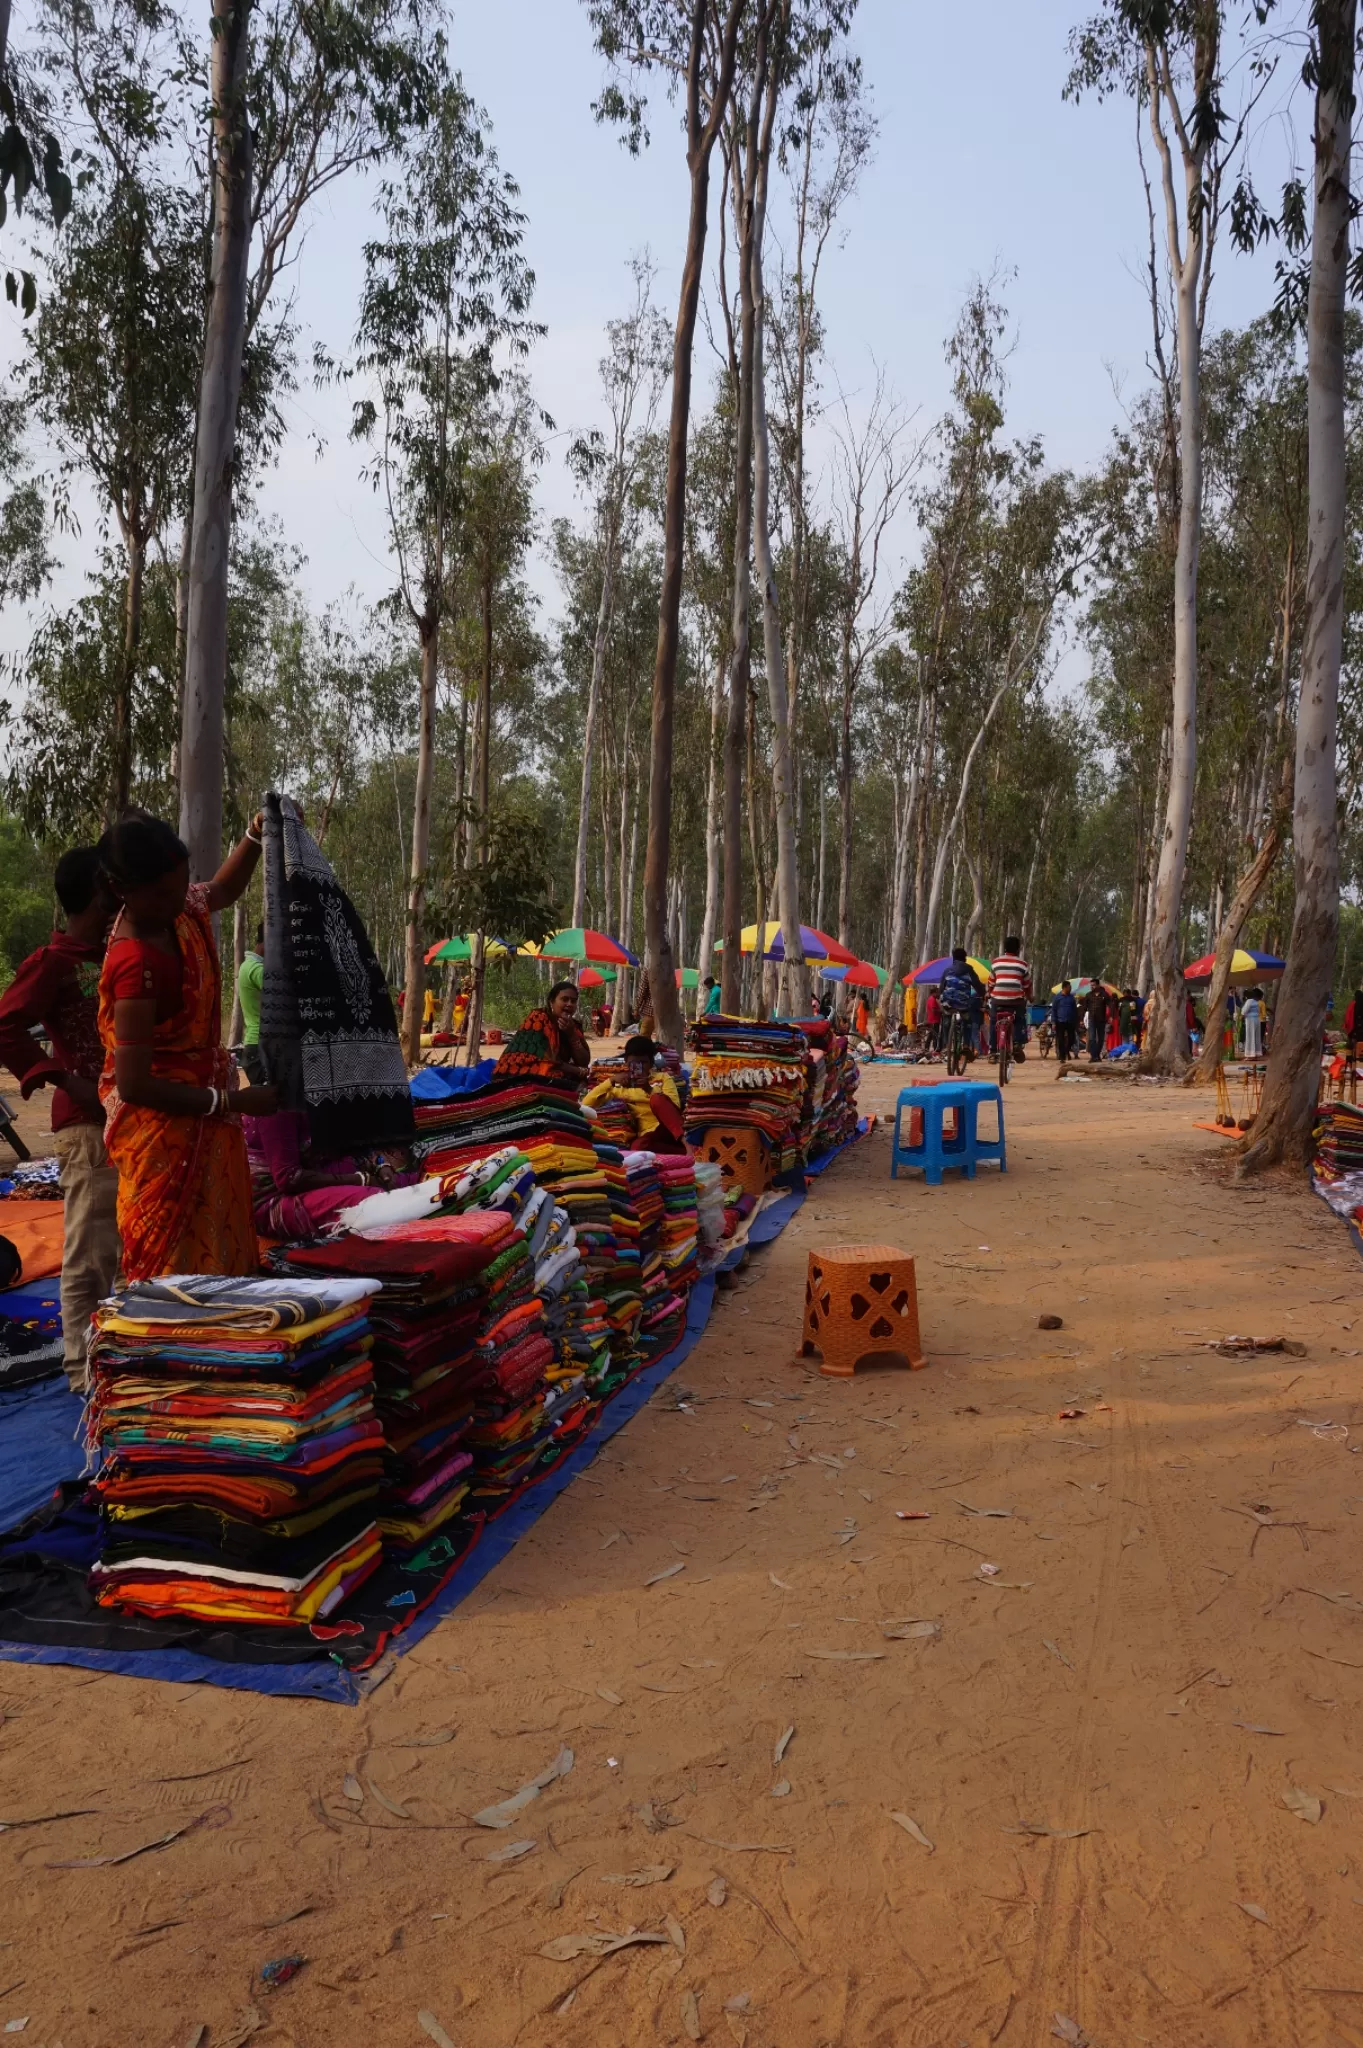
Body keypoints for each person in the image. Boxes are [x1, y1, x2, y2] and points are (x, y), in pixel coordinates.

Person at [97, 811, 278, 1282]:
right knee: (170, 1274)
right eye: (163, 893)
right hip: (163, 1139)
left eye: (181, 886)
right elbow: (135, 1083)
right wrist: (231, 1101)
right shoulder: (135, 963)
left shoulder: (177, 912)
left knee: (222, 1250)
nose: (180, 900)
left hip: (205, 1124)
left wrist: (254, 835)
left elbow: (219, 891)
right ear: (122, 890)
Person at [0, 847, 121, 1391]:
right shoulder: (55, 961)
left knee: (122, 1244)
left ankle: (123, 1353)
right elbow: (5, 1024)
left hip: (128, 1120)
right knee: (91, 1249)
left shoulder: (113, 952)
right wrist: (60, 1075)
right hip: (87, 1124)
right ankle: (83, 1368)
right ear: (100, 891)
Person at [584, 1034, 686, 1153]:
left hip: (669, 1129)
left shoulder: (662, 1078)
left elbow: (673, 1107)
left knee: (657, 1099)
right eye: (634, 1063)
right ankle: (683, 1152)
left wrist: (648, 1089)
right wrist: (610, 1081)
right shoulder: (619, 1085)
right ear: (626, 1062)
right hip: (647, 1135)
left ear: (652, 1063)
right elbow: (587, 1104)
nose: (640, 1067)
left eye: (644, 1062)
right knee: (638, 1147)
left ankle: (686, 1143)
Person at [498, 979, 592, 1083]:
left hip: (557, 1070)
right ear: (551, 1002)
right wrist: (577, 1070)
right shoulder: (538, 1018)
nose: (569, 1004)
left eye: (573, 1001)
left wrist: (572, 1035)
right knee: (557, 1077)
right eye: (565, 999)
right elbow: (545, 1060)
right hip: (521, 1071)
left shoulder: (574, 1026)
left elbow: (584, 1061)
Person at [987, 935, 1032, 1064]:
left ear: (1005, 948)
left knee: (993, 1022)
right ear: (1018, 949)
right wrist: (1030, 997)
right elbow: (1027, 985)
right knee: (1020, 1019)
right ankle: (1018, 1043)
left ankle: (992, 1050)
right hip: (1015, 1000)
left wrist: (988, 993)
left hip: (997, 999)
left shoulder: (996, 962)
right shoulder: (1023, 964)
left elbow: (991, 982)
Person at [940, 949, 985, 1059]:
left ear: (953, 958)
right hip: (963, 1003)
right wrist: (982, 994)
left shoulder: (947, 970)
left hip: (948, 1002)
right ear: (965, 958)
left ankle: (946, 1044)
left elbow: (941, 988)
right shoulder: (969, 970)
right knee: (967, 1020)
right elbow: (978, 986)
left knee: (946, 1018)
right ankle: (965, 1045)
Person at [236, 922, 266, 1082]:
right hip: (259, 1045)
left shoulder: (247, 965)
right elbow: (282, 992)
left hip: (255, 1044)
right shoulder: (256, 969)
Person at [1052, 979, 1078, 1064]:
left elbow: (1074, 1010)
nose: (1070, 989)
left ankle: (1067, 1051)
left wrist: (1076, 1020)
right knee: (1061, 1039)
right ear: (1064, 988)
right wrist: (1053, 1022)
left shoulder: (1071, 998)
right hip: (1060, 1021)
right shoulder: (1057, 997)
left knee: (1072, 1038)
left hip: (1070, 1021)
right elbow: (1054, 1010)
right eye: (1069, 987)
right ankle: (1062, 1057)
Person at [1085, 981, 1109, 1061]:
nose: (1092, 987)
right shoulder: (1088, 995)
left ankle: (1097, 1055)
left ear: (1098, 985)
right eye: (1091, 985)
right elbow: (1084, 1007)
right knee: (1092, 1038)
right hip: (1091, 1019)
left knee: (1101, 1038)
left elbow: (1111, 1004)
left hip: (1101, 1020)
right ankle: (1093, 1056)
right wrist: (1081, 1018)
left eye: (1093, 985)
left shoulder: (1104, 994)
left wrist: (1111, 1016)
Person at [1242, 985, 1266, 1060]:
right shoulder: (1257, 1002)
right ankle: (1255, 1053)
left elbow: (1244, 1011)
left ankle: (1250, 1055)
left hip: (1250, 1020)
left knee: (1250, 1036)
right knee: (1256, 1036)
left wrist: (1241, 1017)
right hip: (1257, 1020)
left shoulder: (1249, 1001)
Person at [924, 986, 942, 1054]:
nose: (939, 994)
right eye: (938, 993)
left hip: (932, 1020)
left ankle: (926, 1048)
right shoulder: (932, 999)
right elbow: (933, 1010)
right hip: (934, 1020)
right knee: (935, 1036)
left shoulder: (931, 999)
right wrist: (941, 1011)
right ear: (934, 993)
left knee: (931, 1035)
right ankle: (935, 1049)